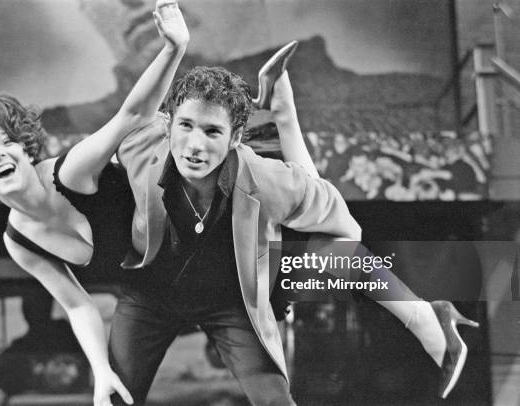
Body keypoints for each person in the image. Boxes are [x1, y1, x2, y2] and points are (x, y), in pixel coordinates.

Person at [114, 60, 480, 404]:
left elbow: (346, 232)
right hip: (151, 291)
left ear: (235, 137)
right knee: (113, 395)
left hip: (233, 298)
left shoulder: (272, 181)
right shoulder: (139, 147)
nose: (194, 145)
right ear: (167, 124)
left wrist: (287, 118)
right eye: (186, 126)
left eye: (212, 131)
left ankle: (426, 320)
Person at [0, 2, 189, 405]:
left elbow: (132, 115)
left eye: (7, 143)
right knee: (115, 396)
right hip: (156, 290)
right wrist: (100, 371)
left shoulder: (70, 172)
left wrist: (173, 48)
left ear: (25, 150)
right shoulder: (19, 242)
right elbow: (78, 306)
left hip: (202, 231)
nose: (0, 154)